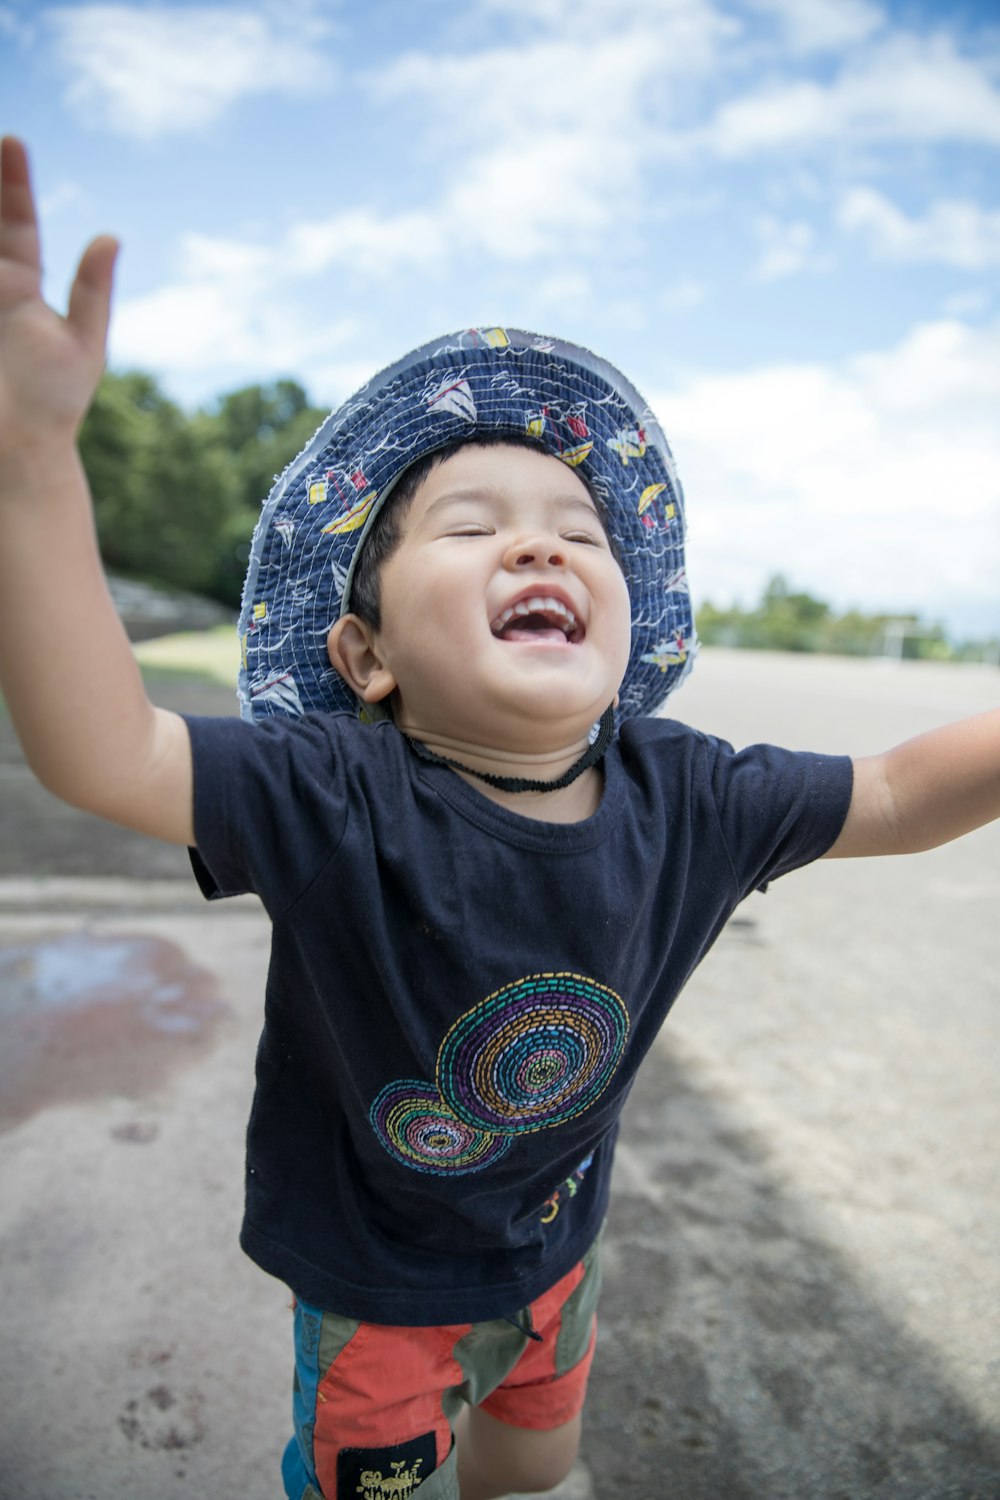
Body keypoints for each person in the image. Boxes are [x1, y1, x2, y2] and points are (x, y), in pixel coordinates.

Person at [0, 134, 997, 1500]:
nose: (541, 544)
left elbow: (892, 791)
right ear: (367, 657)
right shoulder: (334, 790)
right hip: (379, 1282)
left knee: (534, 1467)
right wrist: (32, 466)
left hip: (556, 1256)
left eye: (581, 532)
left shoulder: (686, 794)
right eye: (475, 525)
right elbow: (100, 754)